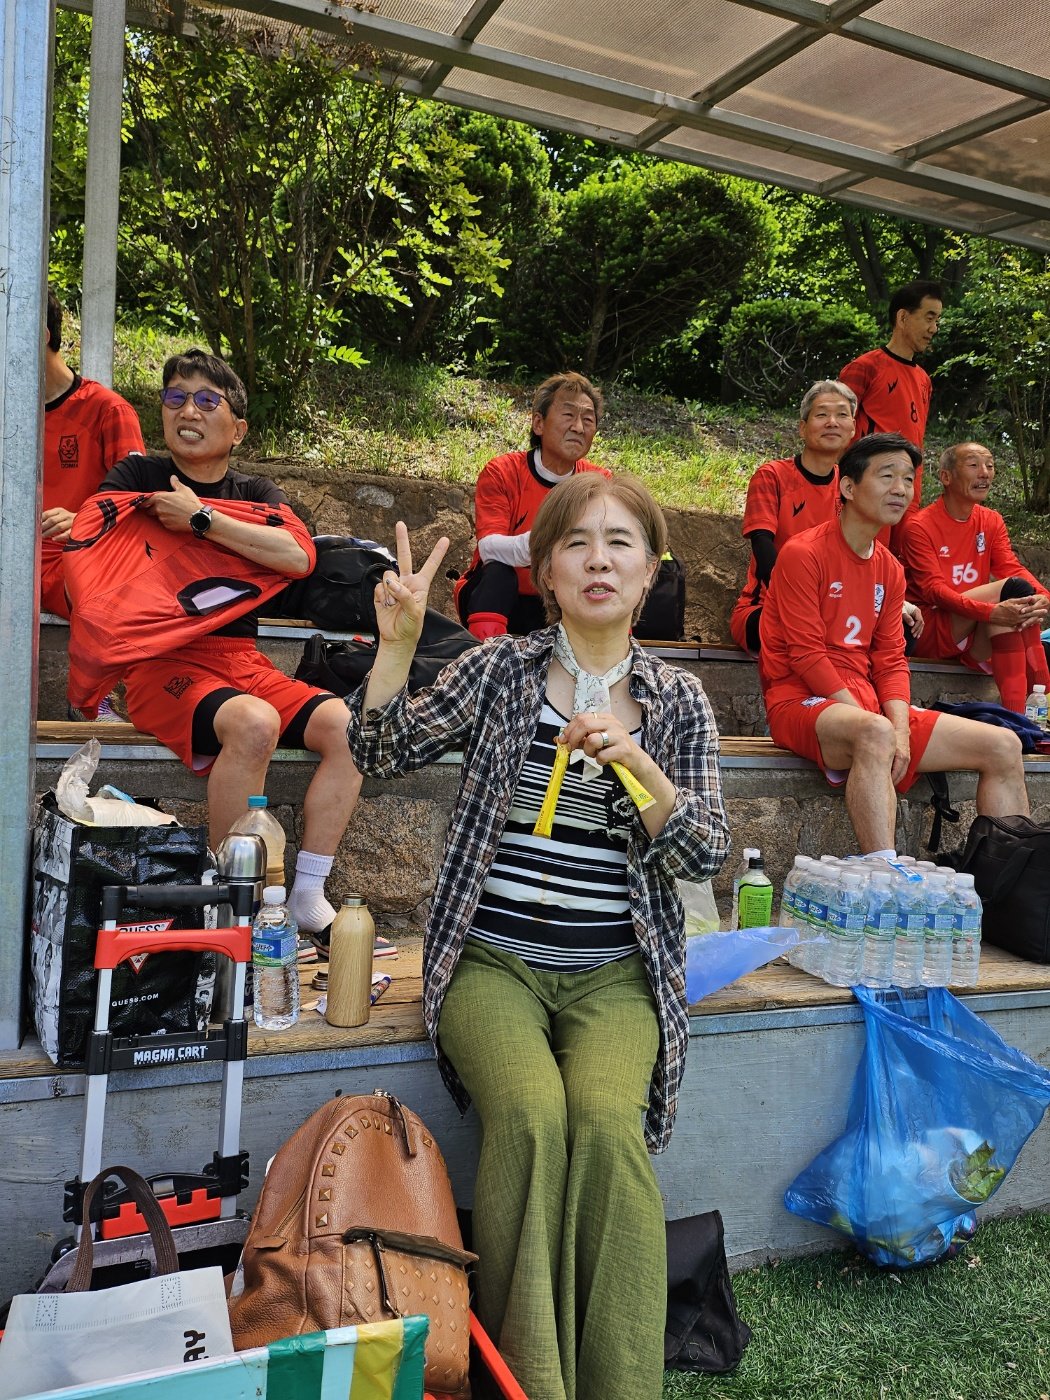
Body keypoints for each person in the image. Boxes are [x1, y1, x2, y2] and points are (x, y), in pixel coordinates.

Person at [347, 474, 730, 1400]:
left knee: (604, 1124)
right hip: (492, 961)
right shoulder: (501, 670)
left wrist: (638, 764)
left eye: (621, 544)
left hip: (615, 974)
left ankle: (621, 1383)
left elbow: (703, 848)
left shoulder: (676, 702)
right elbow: (379, 751)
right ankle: (533, 1381)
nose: (599, 559)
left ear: (649, 577)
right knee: (529, 1115)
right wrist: (395, 649)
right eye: (576, 544)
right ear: (546, 574)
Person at [95, 349, 362, 933]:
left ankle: (307, 893)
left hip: (240, 660)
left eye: (207, 400)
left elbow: (298, 556)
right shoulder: (139, 476)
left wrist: (202, 519)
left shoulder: (255, 491)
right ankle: (227, 905)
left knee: (348, 727)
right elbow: (95, 535)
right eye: (175, 397)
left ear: (237, 428)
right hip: (159, 662)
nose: (188, 409)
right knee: (254, 724)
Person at [759, 432, 1029, 856]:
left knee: (1003, 744)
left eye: (908, 479)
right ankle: (883, 874)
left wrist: (901, 731)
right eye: (887, 476)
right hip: (801, 701)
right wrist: (879, 728)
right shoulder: (803, 553)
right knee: (875, 731)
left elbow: (890, 661)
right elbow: (805, 655)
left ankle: (1014, 878)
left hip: (868, 707)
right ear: (848, 487)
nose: (901, 488)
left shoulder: (890, 568)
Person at [42, 292, 145, 718]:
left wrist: (84, 519)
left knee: (102, 585)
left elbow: (138, 503)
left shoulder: (107, 410)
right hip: (17, 564)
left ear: (39, 335)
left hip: (77, 560)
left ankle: (97, 695)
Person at [454, 371, 609, 640]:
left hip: (559, 598)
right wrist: (552, 543)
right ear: (539, 423)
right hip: (499, 598)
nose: (579, 427)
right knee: (499, 574)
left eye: (588, 419)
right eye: (568, 415)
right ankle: (485, 662)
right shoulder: (502, 471)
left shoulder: (600, 482)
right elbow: (489, 548)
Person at [900, 441, 1050, 711]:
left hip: (974, 633)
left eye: (990, 465)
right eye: (973, 465)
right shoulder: (919, 526)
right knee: (1012, 592)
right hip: (932, 629)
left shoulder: (991, 520)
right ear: (946, 477)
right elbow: (934, 591)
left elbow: (1010, 565)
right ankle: (1044, 691)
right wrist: (990, 612)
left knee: (1012, 608)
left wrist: (1043, 597)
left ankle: (1018, 716)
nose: (985, 472)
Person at [729, 379, 856, 654]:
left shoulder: (854, 490)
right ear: (802, 427)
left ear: (853, 429)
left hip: (834, 609)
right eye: (822, 414)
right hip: (769, 607)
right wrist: (814, 606)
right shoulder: (772, 476)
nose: (832, 422)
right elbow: (765, 556)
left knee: (903, 629)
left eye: (842, 414)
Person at [839, 279, 943, 550]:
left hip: (908, 492)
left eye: (938, 320)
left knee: (897, 569)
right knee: (864, 563)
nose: (934, 328)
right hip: (869, 491)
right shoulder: (865, 367)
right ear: (903, 317)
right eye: (929, 318)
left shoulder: (924, 380)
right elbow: (838, 432)